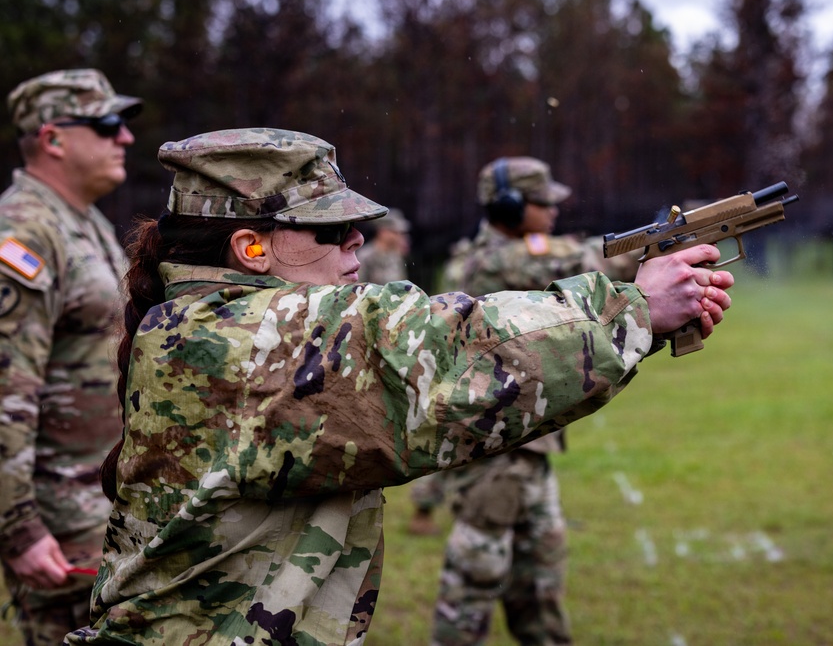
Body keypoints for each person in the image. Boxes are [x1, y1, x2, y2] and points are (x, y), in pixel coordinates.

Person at [62, 128, 733, 645]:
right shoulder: (239, 339)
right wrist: (635, 307)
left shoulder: (201, 323)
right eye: (329, 227)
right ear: (251, 248)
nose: (358, 237)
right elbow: (444, 358)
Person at [429, 156, 640, 646]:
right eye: (543, 203)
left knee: (540, 588)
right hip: (489, 456)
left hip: (531, 449)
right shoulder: (485, 260)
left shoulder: (522, 253)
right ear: (509, 206)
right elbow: (589, 259)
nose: (553, 212)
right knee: (472, 585)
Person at [0, 68, 142, 645]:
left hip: (100, 505)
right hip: (61, 519)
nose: (125, 138)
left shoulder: (81, 220)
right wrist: (17, 527)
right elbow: (6, 388)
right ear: (54, 138)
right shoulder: (27, 231)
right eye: (107, 124)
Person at [356, 207, 411, 284]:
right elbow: (357, 287)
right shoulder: (365, 256)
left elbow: (401, 284)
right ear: (383, 232)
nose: (399, 236)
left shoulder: (395, 255)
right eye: (395, 232)